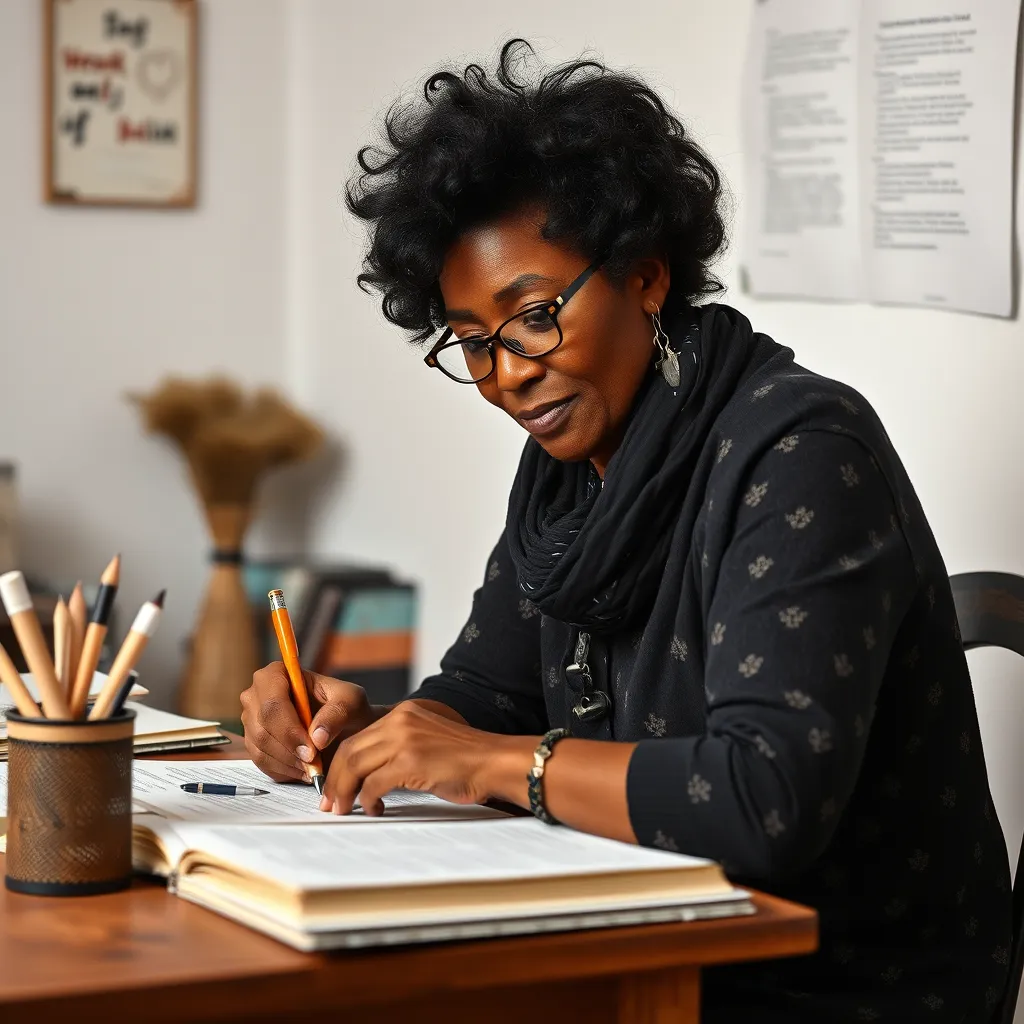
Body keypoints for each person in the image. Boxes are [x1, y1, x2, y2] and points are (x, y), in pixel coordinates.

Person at [240, 40, 1011, 1022]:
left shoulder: (802, 450)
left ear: (645, 276)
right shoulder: (567, 479)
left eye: (531, 317)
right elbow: (479, 697)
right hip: (633, 945)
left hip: (832, 983)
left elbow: (761, 797)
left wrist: (487, 760)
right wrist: (364, 732)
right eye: (471, 342)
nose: (507, 372)